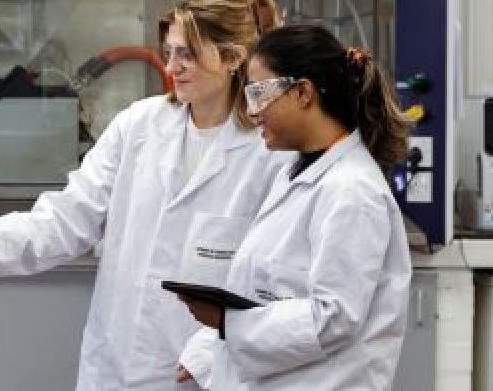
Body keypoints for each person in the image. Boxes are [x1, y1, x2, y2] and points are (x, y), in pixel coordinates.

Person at [0, 0, 293, 390]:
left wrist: (213, 350)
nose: (172, 67)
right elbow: (68, 218)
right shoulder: (138, 126)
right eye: (169, 52)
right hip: (114, 367)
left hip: (203, 374)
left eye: (188, 55)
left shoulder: (270, 152)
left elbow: (278, 285)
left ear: (233, 58)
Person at [175, 25, 413, 390]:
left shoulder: (352, 192)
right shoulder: (295, 172)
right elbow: (264, 289)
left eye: (259, 93)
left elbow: (332, 318)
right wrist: (209, 350)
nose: (251, 111)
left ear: (303, 92)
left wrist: (225, 322)